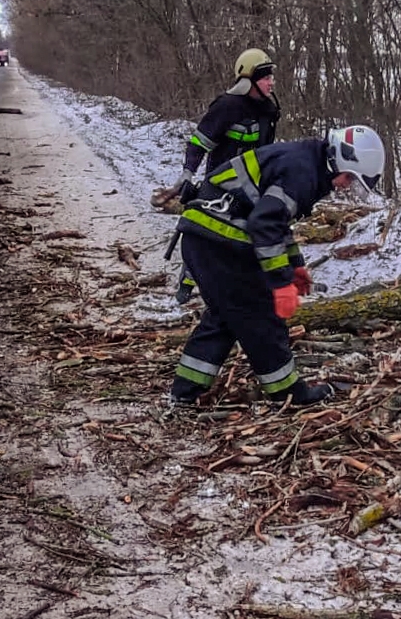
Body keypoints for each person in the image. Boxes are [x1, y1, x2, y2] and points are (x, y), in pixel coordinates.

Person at [168, 124, 386, 409]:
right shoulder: (302, 172)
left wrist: (295, 267)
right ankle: (288, 394)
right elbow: (264, 224)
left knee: (227, 316)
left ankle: (185, 392)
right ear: (339, 159)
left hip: (208, 238)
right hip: (218, 240)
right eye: (348, 177)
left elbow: (278, 224)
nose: (345, 185)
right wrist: (281, 283)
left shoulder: (307, 161)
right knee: (260, 315)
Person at [153, 48, 283, 302]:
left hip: (251, 185)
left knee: (250, 234)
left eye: (271, 78)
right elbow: (199, 142)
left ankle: (247, 284)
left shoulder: (268, 111)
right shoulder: (227, 106)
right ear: (249, 79)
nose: (272, 83)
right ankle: (187, 281)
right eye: (266, 78)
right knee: (203, 234)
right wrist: (187, 173)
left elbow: (265, 152)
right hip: (218, 185)